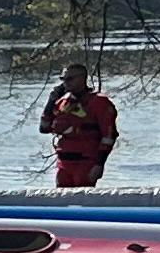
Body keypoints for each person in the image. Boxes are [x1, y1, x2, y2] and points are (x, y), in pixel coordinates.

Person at [39, 61, 120, 189]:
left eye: (70, 78)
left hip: (86, 162)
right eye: (63, 79)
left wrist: (99, 164)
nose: (65, 82)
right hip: (64, 163)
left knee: (82, 200)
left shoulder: (99, 102)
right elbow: (44, 128)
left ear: (82, 78)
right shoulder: (62, 103)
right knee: (62, 201)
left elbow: (109, 136)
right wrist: (51, 101)